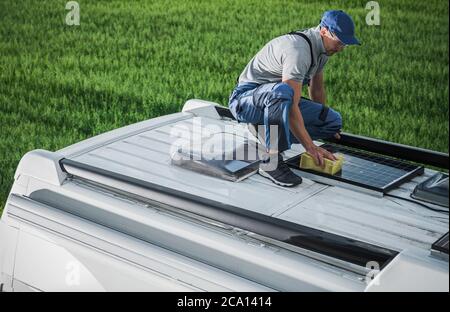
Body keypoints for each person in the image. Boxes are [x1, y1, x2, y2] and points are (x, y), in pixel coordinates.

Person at [228, 10, 361, 187]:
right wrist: (310, 147)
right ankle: (271, 161)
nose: (341, 48)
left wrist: (321, 119)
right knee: (283, 93)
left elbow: (317, 88)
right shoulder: (299, 51)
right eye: (339, 42)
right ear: (324, 31)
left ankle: (265, 129)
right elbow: (290, 105)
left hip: (275, 98)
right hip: (245, 101)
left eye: (345, 44)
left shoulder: (322, 51)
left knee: (332, 121)